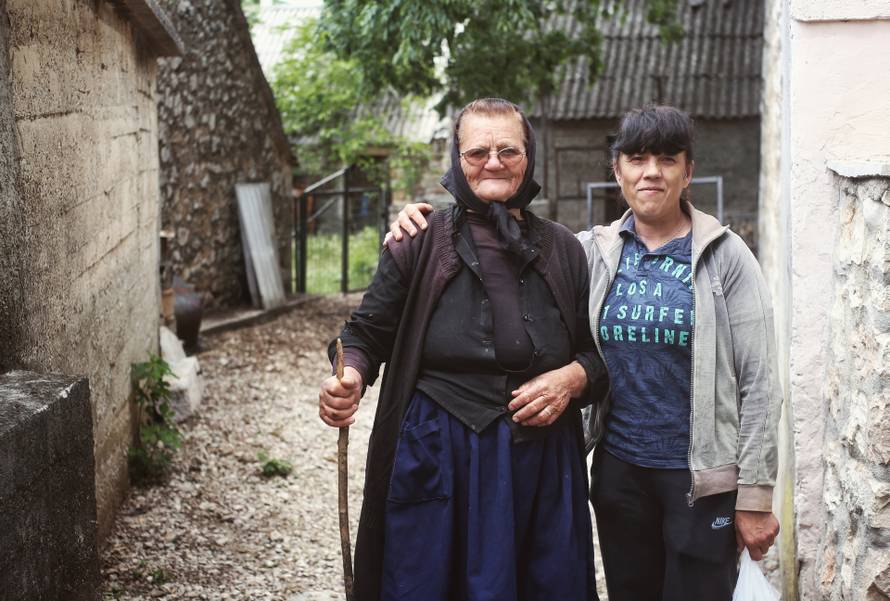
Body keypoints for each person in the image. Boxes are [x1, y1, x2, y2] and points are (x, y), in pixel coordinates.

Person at [386, 105, 783, 600]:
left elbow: (759, 381)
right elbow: (508, 259)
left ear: (688, 172)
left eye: (667, 159)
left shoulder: (726, 257)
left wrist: (755, 497)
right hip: (620, 470)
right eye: (637, 159)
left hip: (700, 479)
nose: (652, 172)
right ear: (617, 171)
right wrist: (418, 223)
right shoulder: (590, 252)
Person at [318, 97, 606, 601]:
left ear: (528, 157)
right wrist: (351, 376)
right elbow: (365, 333)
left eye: (508, 151)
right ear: (457, 158)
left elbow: (598, 354)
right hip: (440, 452)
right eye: (477, 153)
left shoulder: (564, 249)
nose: (493, 162)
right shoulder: (418, 240)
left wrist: (574, 377)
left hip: (540, 464)